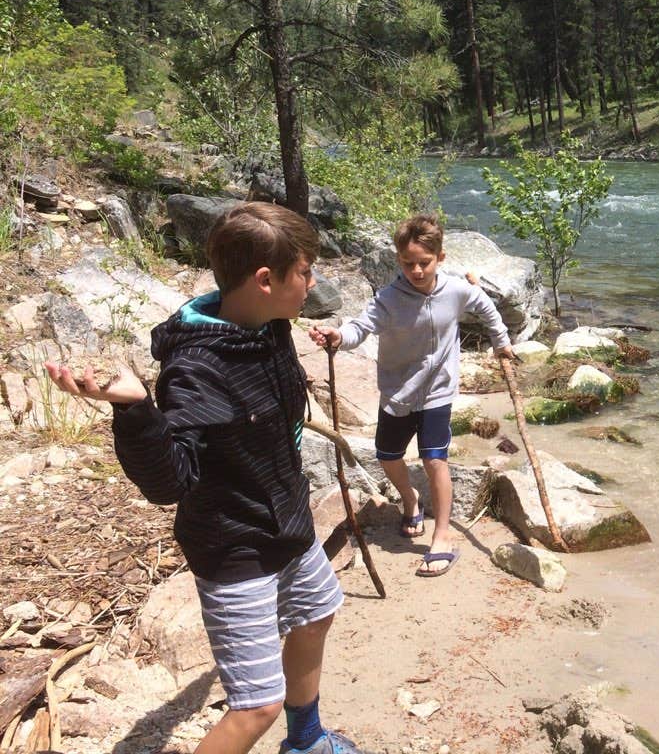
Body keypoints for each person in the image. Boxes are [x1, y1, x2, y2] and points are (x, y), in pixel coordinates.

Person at [44, 202, 365, 754]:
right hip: (235, 545)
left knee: (317, 612)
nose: (313, 282)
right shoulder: (197, 369)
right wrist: (137, 411)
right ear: (265, 280)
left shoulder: (269, 326)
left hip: (287, 521)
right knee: (255, 706)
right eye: (305, 272)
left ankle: (306, 741)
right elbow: (170, 483)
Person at [308, 213, 514, 578]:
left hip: (438, 394)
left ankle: (442, 536)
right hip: (398, 393)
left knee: (436, 460)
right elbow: (360, 327)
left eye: (424, 262)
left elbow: (485, 307)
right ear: (397, 259)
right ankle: (410, 498)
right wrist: (338, 337)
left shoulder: (456, 289)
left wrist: (502, 343)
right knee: (388, 456)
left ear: (440, 258)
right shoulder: (388, 299)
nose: (416, 271)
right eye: (408, 263)